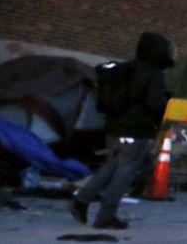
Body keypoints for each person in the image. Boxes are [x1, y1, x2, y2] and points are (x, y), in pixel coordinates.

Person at [70, 31, 176, 230]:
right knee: (125, 173)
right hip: (135, 131)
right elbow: (154, 104)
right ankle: (105, 216)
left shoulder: (124, 68)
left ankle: (81, 200)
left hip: (113, 128)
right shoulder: (153, 74)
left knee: (112, 166)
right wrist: (167, 103)